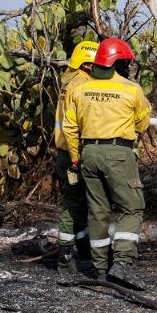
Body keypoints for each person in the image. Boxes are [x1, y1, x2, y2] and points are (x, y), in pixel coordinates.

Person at [61, 38, 151, 290]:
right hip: (118, 154)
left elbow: (69, 127)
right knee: (131, 208)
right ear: (117, 63)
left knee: (97, 212)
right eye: (125, 63)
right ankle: (122, 263)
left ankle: (100, 269)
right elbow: (143, 124)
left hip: (87, 153)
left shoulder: (79, 89)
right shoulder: (131, 89)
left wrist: (77, 157)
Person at [54, 40, 98, 279]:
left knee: (80, 203)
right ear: (87, 63)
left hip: (67, 152)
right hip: (73, 153)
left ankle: (83, 249)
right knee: (73, 205)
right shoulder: (81, 85)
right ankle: (64, 258)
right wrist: (76, 158)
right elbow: (75, 125)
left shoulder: (68, 79)